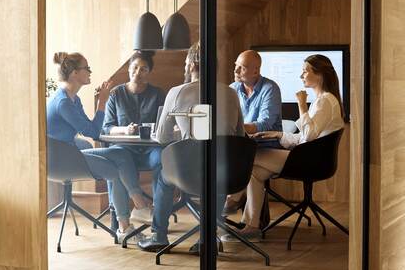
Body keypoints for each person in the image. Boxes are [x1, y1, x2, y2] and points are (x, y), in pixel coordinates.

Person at [221, 54, 345, 242]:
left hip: (311, 161)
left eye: (305, 71)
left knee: (248, 158)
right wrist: (279, 135)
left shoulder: (324, 101)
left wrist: (302, 106)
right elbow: (305, 136)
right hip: (308, 156)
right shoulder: (324, 100)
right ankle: (252, 226)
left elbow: (309, 135)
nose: (301, 75)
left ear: (319, 75)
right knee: (255, 171)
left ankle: (232, 200)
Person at [138, 42, 245, 252]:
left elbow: (162, 138)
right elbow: (239, 136)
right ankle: (208, 237)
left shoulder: (177, 92)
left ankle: (159, 236)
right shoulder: (231, 94)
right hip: (229, 172)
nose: (184, 67)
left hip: (189, 172)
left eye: (185, 62)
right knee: (219, 169)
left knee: (162, 174)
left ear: (193, 64)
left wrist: (184, 132)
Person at [46, 52, 151, 243]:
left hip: (71, 153)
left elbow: (92, 127)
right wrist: (102, 101)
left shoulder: (73, 99)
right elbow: (94, 132)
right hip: (61, 161)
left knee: (120, 153)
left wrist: (102, 106)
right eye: (87, 68)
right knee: (116, 170)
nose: (90, 72)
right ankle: (125, 226)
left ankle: (140, 207)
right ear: (74, 73)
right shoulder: (63, 102)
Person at [100, 51, 166, 240]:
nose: (138, 72)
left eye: (143, 69)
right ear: (129, 69)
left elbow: (164, 125)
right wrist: (124, 130)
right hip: (124, 148)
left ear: (149, 72)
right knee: (119, 163)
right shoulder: (116, 94)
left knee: (162, 160)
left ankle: (159, 220)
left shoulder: (158, 94)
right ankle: (131, 217)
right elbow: (107, 128)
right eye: (135, 68)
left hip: (150, 149)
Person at [225, 50, 283, 214]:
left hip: (267, 145)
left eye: (241, 68)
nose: (235, 71)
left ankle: (233, 198)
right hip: (243, 144)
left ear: (256, 70)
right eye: (236, 66)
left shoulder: (270, 88)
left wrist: (237, 127)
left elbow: (265, 124)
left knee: (245, 161)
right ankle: (248, 220)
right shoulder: (232, 89)